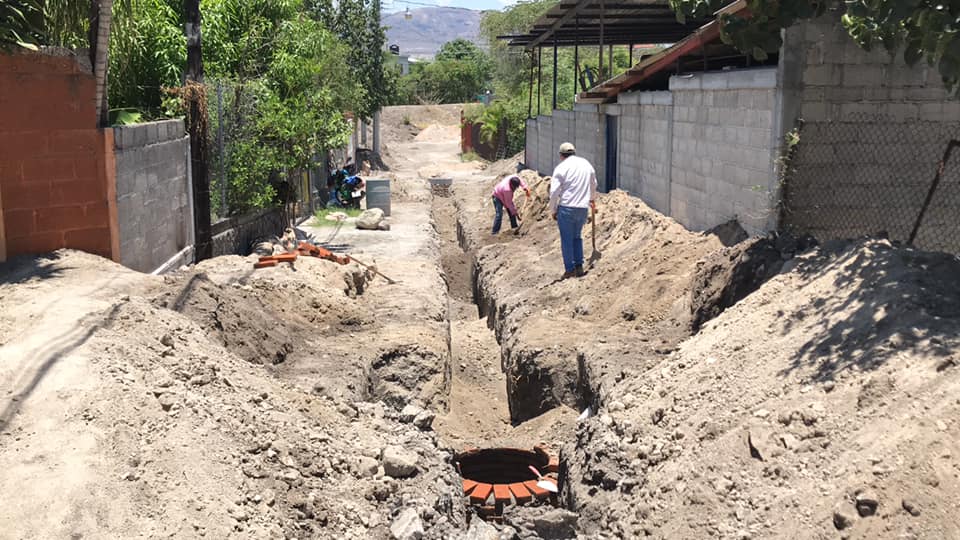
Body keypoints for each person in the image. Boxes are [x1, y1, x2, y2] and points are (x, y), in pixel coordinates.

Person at [549, 142, 597, 279]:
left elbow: (554, 192)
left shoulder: (561, 167)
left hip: (567, 208)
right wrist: (592, 199)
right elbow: (593, 183)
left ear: (561, 155)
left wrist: (553, 210)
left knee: (567, 240)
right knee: (577, 237)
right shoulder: (586, 164)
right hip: (582, 208)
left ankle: (569, 269)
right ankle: (579, 266)